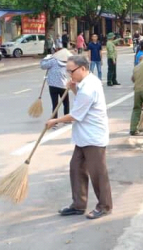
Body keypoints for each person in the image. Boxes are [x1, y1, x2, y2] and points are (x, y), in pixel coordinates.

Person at [47, 55, 112, 220]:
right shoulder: (86, 83)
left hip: (93, 137)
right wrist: (74, 89)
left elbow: (76, 115)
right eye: (67, 71)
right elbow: (81, 103)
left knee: (97, 173)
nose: (69, 74)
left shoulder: (90, 87)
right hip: (83, 137)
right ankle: (78, 204)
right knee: (76, 168)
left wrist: (55, 120)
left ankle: (104, 206)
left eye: (71, 71)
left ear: (82, 68)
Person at [40, 48, 72, 123]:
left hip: (53, 85)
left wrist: (46, 58)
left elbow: (42, 66)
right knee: (66, 103)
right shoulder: (67, 63)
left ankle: (54, 120)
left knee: (55, 104)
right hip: (63, 85)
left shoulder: (53, 61)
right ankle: (66, 119)